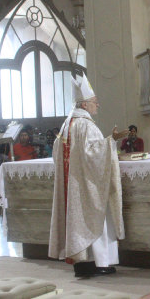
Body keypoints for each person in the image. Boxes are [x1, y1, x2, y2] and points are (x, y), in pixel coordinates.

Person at [49, 74, 128, 278]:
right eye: (94, 102)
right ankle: (101, 263)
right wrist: (111, 141)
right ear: (84, 104)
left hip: (73, 184)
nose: (97, 105)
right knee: (99, 217)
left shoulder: (67, 124)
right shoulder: (86, 125)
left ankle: (82, 264)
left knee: (78, 220)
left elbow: (57, 151)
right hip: (86, 185)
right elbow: (94, 154)